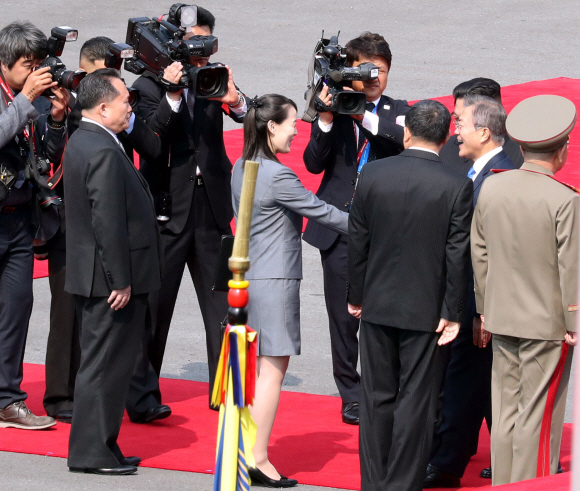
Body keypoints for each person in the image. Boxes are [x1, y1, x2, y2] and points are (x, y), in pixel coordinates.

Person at [43, 37, 180, 424]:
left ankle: (137, 397)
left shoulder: (115, 112)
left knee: (123, 322)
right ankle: (62, 396)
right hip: (74, 229)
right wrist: (56, 115)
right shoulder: (71, 111)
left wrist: (162, 103)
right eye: (111, 68)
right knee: (73, 318)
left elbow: (151, 146)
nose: (120, 77)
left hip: (115, 231)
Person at [347, 99, 473, 491]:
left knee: (375, 397)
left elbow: (358, 240)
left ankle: (374, 482)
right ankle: (401, 484)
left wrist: (356, 294)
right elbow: (457, 254)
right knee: (417, 402)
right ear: (445, 138)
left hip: (377, 303)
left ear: (406, 132)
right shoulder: (457, 185)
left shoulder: (373, 175)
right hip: (427, 312)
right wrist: (452, 311)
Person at [231, 94, 348, 487]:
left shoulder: (241, 165)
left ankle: (247, 450)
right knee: (272, 372)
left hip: (250, 278)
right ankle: (258, 457)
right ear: (271, 127)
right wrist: (371, 226)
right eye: (292, 123)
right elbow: (323, 213)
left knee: (263, 369)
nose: (297, 130)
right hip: (274, 281)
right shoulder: (279, 176)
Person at [133, 4, 246, 410]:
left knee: (223, 305)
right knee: (154, 308)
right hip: (167, 208)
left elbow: (246, 113)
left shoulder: (213, 77)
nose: (199, 50)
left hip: (212, 207)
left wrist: (237, 102)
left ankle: (226, 390)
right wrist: (172, 92)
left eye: (205, 41)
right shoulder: (146, 85)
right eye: (191, 41)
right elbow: (150, 138)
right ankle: (143, 395)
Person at [303, 32, 410, 425]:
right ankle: (350, 392)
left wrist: (361, 113)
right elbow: (313, 164)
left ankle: (382, 390)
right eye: (366, 70)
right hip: (338, 227)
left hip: (385, 230)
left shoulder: (399, 110)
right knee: (343, 318)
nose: (374, 77)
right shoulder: (334, 106)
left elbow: (401, 141)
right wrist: (328, 119)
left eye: (380, 70)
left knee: (384, 316)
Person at [471, 95, 577, 486]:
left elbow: (478, 253)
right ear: (562, 149)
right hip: (546, 324)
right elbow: (571, 267)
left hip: (501, 316)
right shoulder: (564, 200)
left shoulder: (493, 188)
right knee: (539, 415)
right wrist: (574, 319)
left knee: (506, 411)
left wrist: (484, 309)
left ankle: (504, 482)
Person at [64, 69, 162, 475]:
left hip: (99, 275)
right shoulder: (101, 148)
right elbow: (106, 220)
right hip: (110, 281)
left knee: (111, 365)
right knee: (104, 366)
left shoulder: (88, 139)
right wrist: (120, 278)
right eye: (124, 99)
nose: (130, 105)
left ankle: (104, 444)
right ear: (103, 107)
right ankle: (91, 452)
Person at [425, 95, 515, 488]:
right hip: (470, 302)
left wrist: (480, 313)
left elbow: (490, 252)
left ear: (483, 131)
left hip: (480, 305)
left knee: (465, 384)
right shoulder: (481, 172)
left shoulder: (499, 177)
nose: (454, 131)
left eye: (460, 123)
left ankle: (447, 464)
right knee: (475, 385)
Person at [0, 21, 68, 430]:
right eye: (28, 64)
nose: (35, 73)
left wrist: (56, 119)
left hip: (20, 220)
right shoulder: (22, 97)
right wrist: (25, 100)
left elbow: (44, 156)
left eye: (38, 64)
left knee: (15, 311)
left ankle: (8, 400)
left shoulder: (33, 99)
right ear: (5, 63)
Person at [440, 77, 523, 173]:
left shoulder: (521, 156)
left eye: (462, 121)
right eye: (456, 119)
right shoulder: (447, 149)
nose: (457, 129)